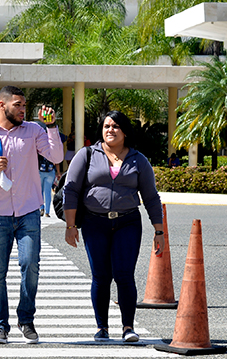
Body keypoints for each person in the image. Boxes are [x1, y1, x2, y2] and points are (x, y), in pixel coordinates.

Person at [0, 85, 63, 345]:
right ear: (2, 105)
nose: (23, 109)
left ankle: (26, 320)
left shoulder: (34, 131)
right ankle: (0, 326)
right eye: (18, 105)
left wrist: (51, 127)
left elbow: (57, 155)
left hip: (29, 211)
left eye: (24, 105)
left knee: (30, 266)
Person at [61, 110, 163, 343]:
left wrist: (159, 231)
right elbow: (71, 189)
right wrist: (70, 225)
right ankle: (102, 327)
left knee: (124, 275)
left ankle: (128, 327)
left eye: (116, 126)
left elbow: (151, 197)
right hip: (94, 222)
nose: (110, 130)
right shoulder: (87, 155)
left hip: (128, 221)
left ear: (125, 131)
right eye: (106, 126)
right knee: (101, 276)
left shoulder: (139, 160)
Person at [38, 137, 57, 218]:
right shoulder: (52, 150)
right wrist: (58, 173)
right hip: (50, 171)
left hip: (40, 171)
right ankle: (47, 212)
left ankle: (41, 208)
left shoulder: (39, 149)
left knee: (40, 191)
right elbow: (57, 162)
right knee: (48, 192)